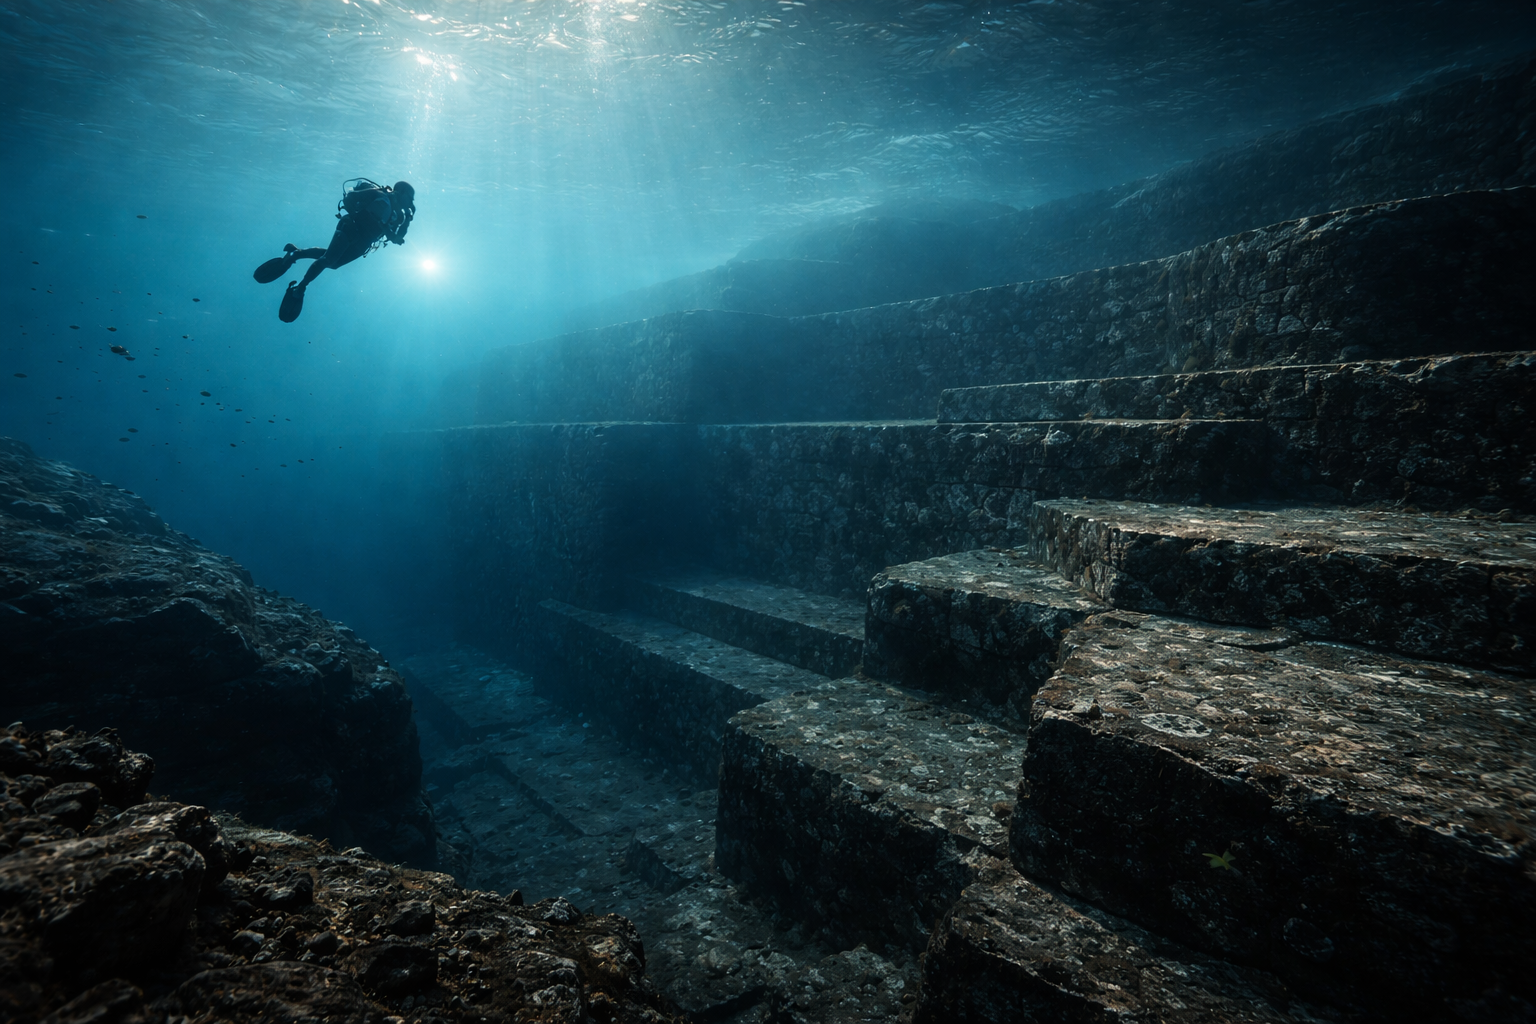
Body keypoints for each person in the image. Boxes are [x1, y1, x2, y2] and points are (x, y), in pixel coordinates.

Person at [253, 179, 416, 322]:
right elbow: (352, 198)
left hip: (363, 242)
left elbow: (397, 238)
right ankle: (301, 287)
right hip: (351, 228)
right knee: (328, 260)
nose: (410, 203)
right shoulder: (381, 194)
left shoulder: (398, 216)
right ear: (402, 192)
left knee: (333, 263)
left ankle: (295, 254)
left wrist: (408, 219)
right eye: (410, 198)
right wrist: (362, 217)